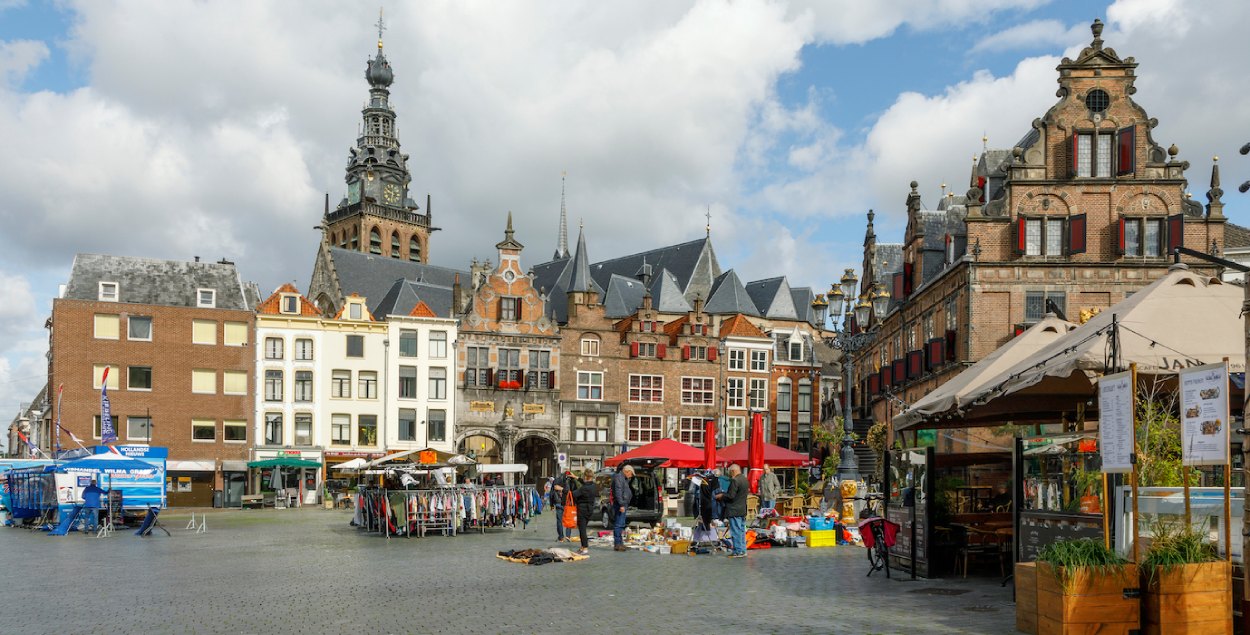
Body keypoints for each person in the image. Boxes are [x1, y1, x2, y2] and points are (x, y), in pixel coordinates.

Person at [718, 464, 749, 558]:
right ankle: (743, 550)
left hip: (734, 509)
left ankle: (738, 551)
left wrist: (722, 495)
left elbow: (731, 496)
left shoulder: (735, 481)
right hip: (742, 509)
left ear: (733, 471)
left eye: (730, 472)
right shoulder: (744, 479)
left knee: (736, 531)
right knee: (741, 531)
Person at [571, 469, 598, 555]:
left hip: (582, 509)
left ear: (586, 476)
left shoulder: (584, 488)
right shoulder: (593, 485)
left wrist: (562, 489)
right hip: (590, 509)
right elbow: (586, 483)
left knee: (582, 529)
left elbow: (573, 494)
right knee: (583, 528)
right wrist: (576, 477)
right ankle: (583, 546)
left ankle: (585, 547)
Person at [611, 465, 634, 551]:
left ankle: (620, 543)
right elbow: (618, 492)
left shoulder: (623, 478)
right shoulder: (619, 478)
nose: (631, 476)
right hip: (620, 504)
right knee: (618, 524)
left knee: (621, 524)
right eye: (631, 473)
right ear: (627, 471)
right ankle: (617, 544)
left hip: (623, 503)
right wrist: (621, 504)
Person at [551, 471, 572, 542]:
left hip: (558, 503)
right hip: (568, 503)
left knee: (559, 521)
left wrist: (551, 504)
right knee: (568, 519)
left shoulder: (556, 480)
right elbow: (572, 492)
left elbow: (551, 492)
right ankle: (568, 536)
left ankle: (561, 537)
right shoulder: (570, 481)